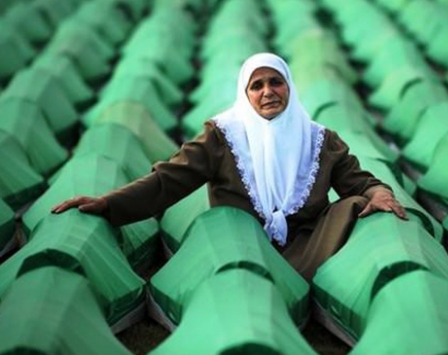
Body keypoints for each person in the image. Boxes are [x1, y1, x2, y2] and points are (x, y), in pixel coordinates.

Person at [52, 53, 406, 280]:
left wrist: (380, 192)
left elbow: (359, 182)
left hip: (309, 240)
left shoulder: (319, 139)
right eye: (257, 85)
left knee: (360, 207)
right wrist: (109, 204)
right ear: (246, 94)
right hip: (242, 240)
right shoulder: (223, 136)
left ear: (289, 87)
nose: (268, 91)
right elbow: (168, 180)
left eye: (276, 82)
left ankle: (316, 277)